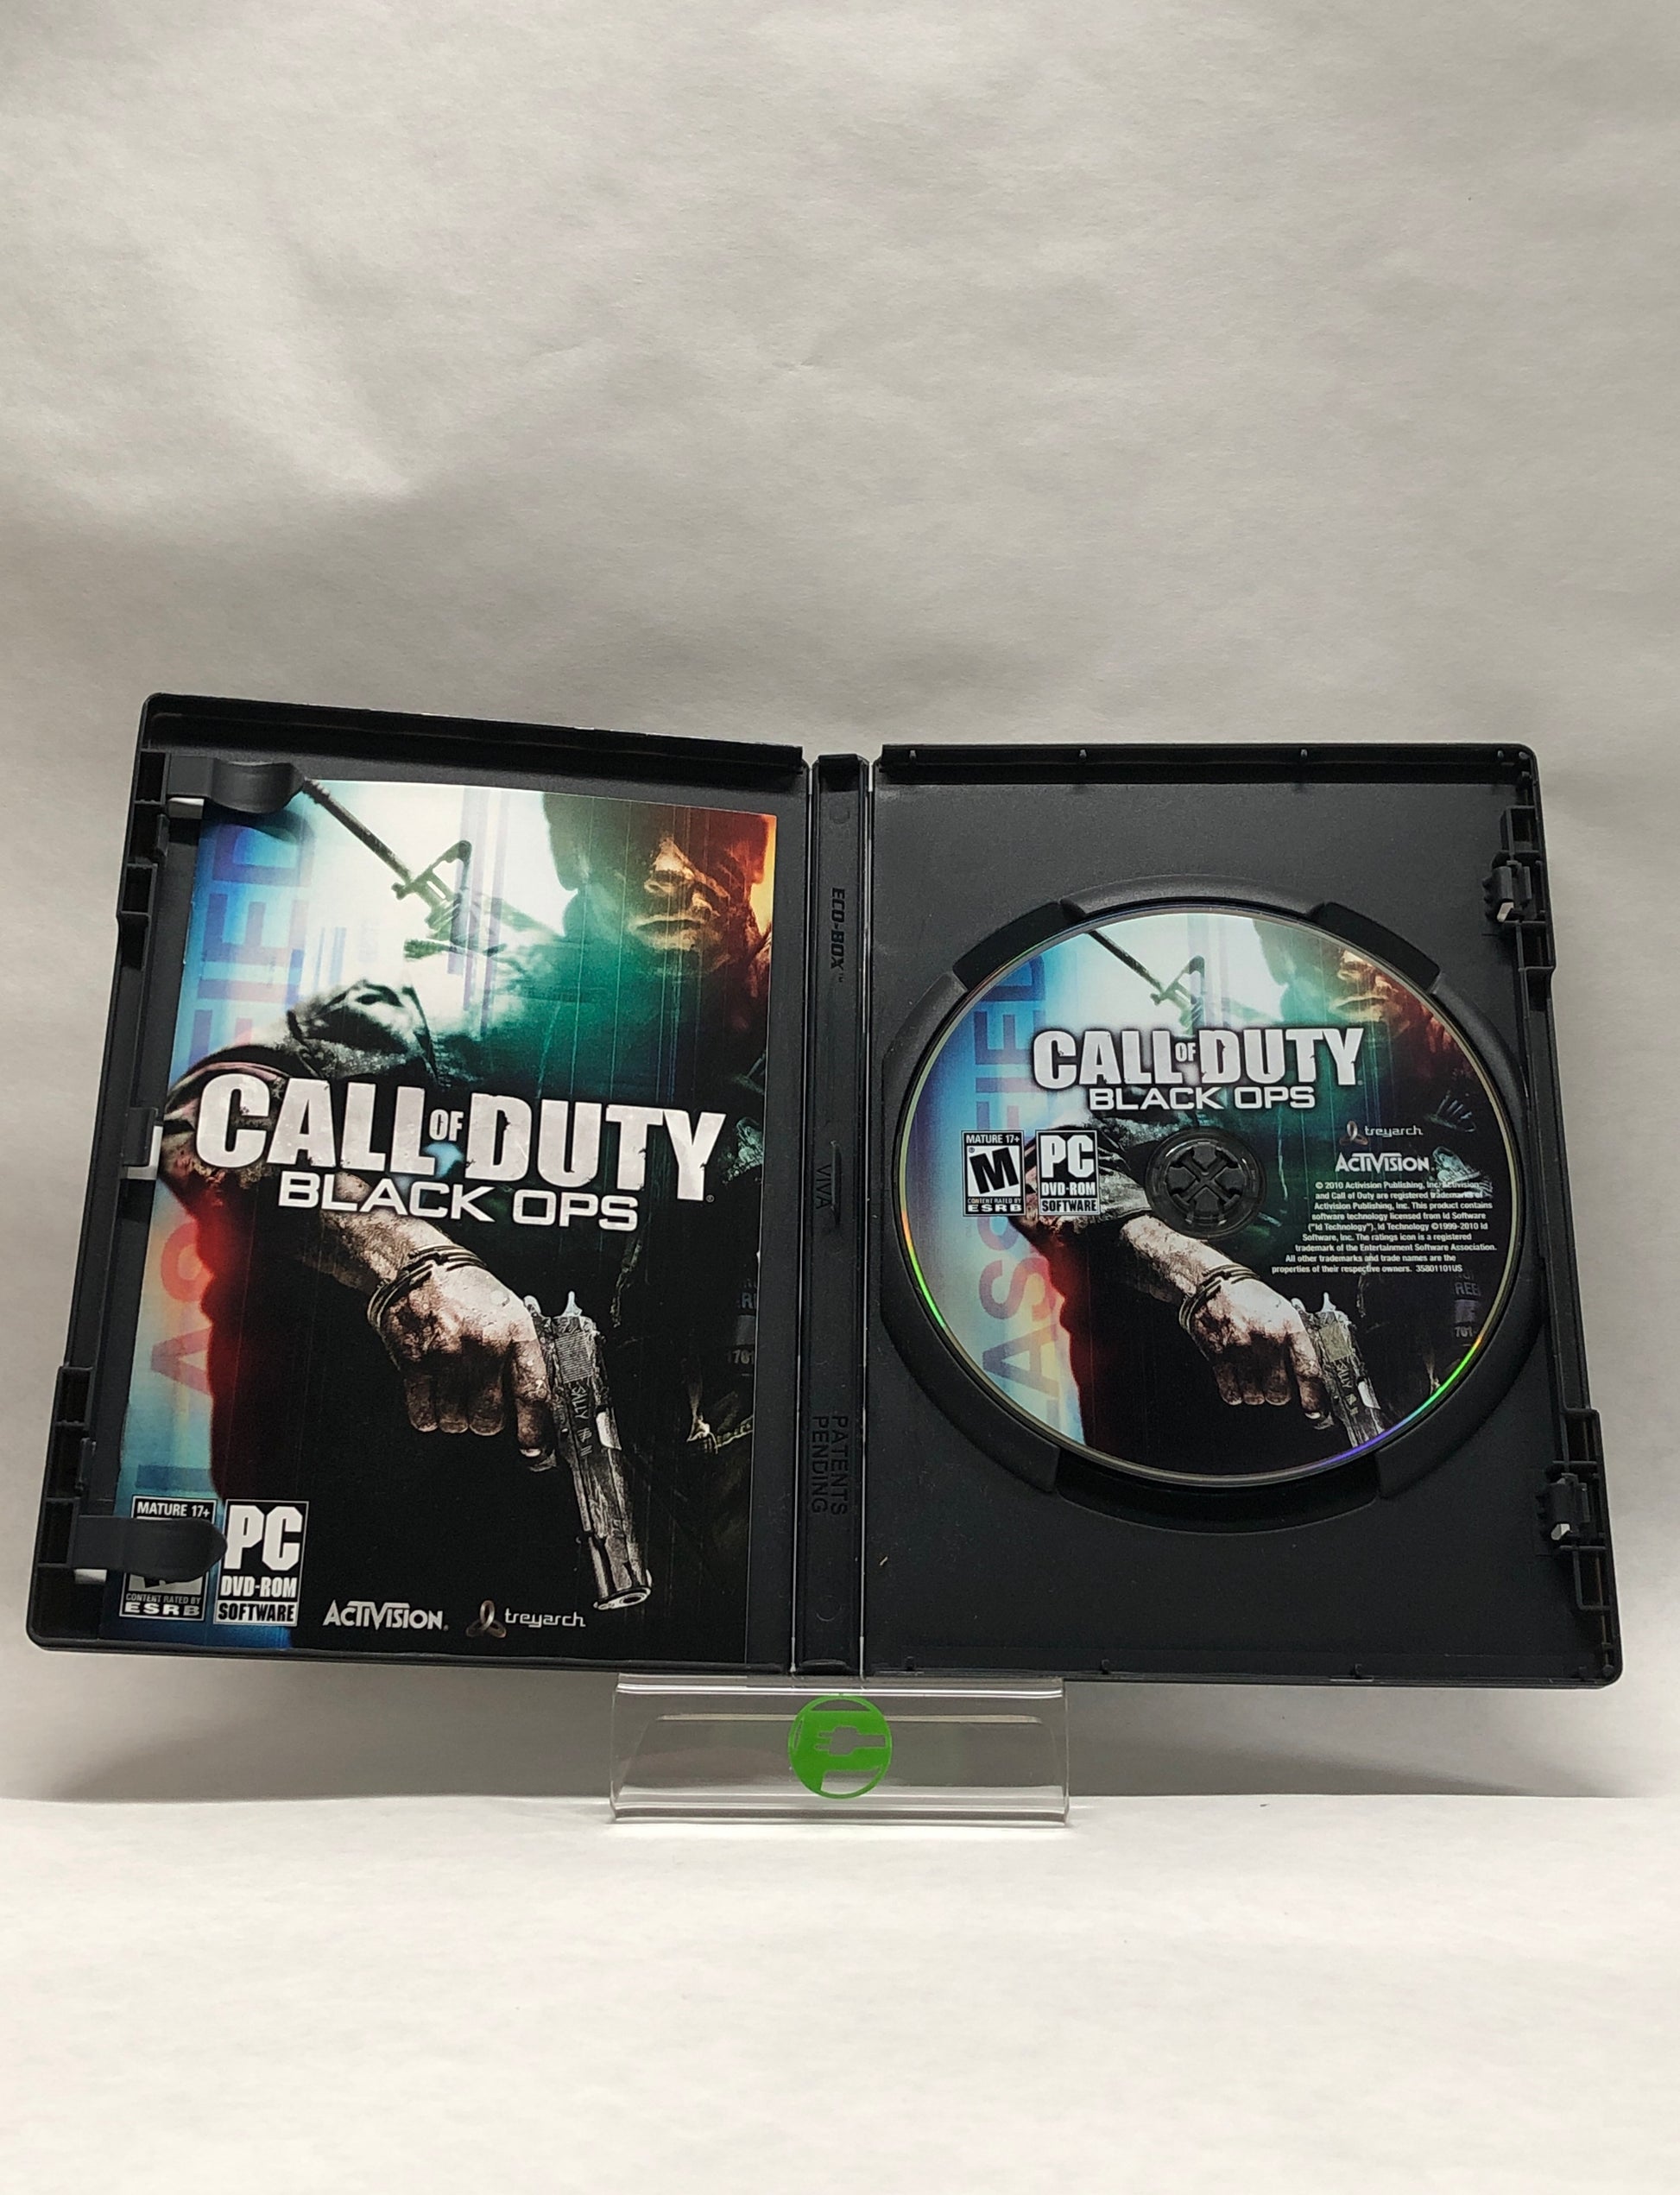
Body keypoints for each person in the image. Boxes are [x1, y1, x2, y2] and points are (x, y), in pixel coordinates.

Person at [158, 791, 774, 1645]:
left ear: (758, 849)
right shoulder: (471, 1014)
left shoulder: (815, 1028)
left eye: (710, 838)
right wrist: (414, 1264)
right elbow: (209, 1119)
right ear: (573, 857)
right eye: (631, 841)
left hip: (735, 1585)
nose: (669, 870)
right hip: (477, 1581)